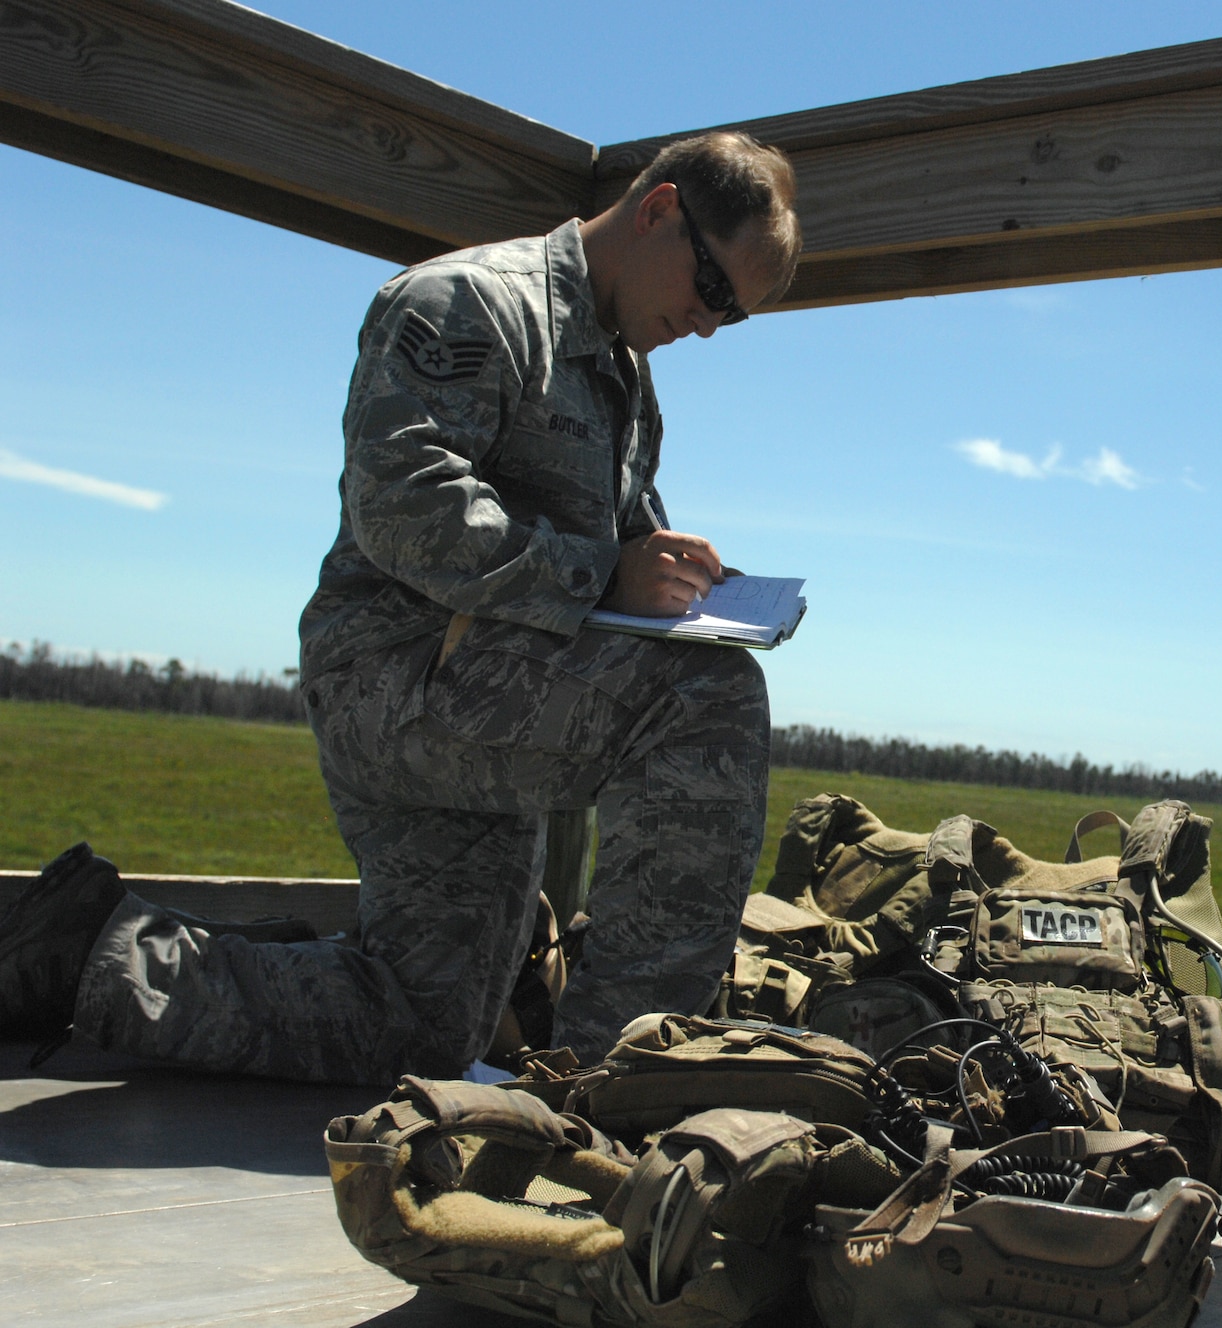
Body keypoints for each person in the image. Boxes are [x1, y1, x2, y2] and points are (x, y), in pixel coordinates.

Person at [0, 132, 803, 1084]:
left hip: (496, 702)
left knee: (422, 1027)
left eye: (735, 319)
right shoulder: (469, 303)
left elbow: (615, 553)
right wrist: (601, 575)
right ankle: (612, 1094)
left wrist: (674, 579)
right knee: (711, 700)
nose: (708, 325)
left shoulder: (624, 378)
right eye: (712, 291)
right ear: (660, 209)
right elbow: (404, 506)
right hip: (400, 683)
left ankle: (92, 951)